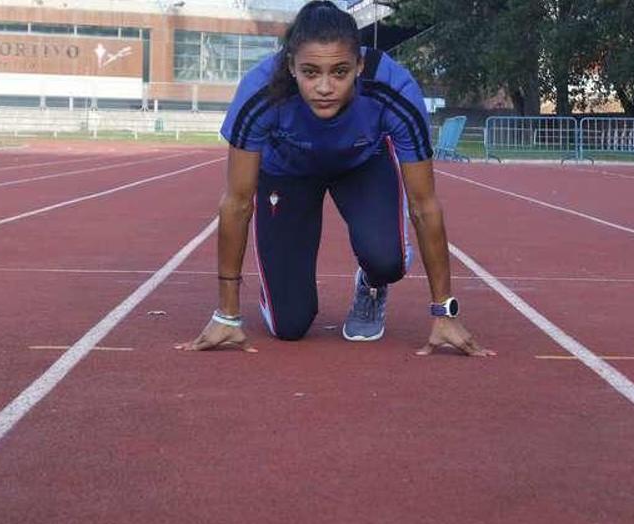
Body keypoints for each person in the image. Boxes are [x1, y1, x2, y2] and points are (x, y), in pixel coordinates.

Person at [176, 0, 493, 357]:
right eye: (310, 72)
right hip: (287, 173)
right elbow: (235, 203)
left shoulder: (394, 89)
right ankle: (281, 288)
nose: (325, 87)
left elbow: (424, 204)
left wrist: (443, 312)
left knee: (387, 260)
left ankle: (371, 285)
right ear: (290, 66)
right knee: (289, 327)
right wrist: (227, 315)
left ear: (359, 65)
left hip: (361, 166)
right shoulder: (261, 93)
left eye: (339, 72)